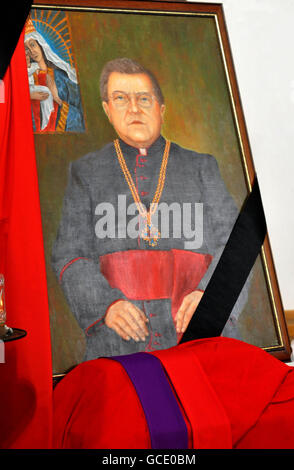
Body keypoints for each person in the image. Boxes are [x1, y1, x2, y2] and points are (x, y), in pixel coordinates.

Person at [51, 58, 250, 361]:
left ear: (161, 109)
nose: (134, 109)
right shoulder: (87, 172)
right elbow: (70, 255)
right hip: (120, 345)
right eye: (121, 99)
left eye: (144, 99)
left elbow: (237, 243)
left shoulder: (201, 167)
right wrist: (107, 305)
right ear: (107, 109)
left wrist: (211, 297)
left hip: (198, 335)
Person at [24, 17, 85, 133]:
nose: (32, 51)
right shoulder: (26, 78)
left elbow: (80, 111)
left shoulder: (60, 76)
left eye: (33, 45)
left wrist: (57, 98)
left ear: (41, 45)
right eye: (27, 48)